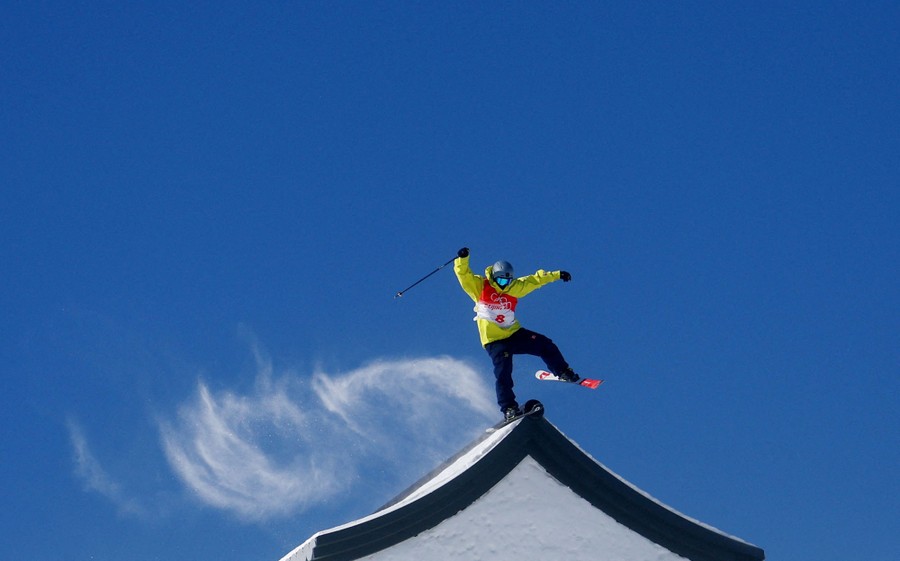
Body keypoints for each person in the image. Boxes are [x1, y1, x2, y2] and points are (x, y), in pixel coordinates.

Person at [454, 247, 580, 420]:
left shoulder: (515, 288)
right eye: (500, 281)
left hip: (514, 333)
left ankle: (563, 371)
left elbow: (535, 280)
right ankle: (508, 408)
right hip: (494, 341)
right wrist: (463, 259)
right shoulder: (480, 287)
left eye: (507, 282)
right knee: (504, 372)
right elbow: (464, 275)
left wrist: (557, 274)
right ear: (493, 277)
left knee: (544, 344)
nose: (503, 285)